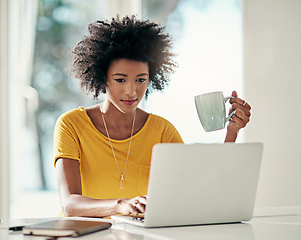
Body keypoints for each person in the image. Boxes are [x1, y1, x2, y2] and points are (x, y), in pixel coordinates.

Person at [53, 16, 251, 218]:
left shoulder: (162, 130)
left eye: (141, 80)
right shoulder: (71, 125)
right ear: (103, 78)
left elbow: (201, 188)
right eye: (120, 80)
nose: (131, 91)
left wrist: (232, 133)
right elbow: (70, 204)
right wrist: (121, 205)